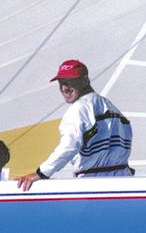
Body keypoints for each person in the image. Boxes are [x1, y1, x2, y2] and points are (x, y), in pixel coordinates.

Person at [16, 60, 133, 191]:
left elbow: (69, 146)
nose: (64, 88)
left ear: (84, 81)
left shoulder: (78, 109)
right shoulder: (112, 108)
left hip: (93, 184)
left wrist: (41, 173)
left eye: (69, 82)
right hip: (123, 180)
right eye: (61, 83)